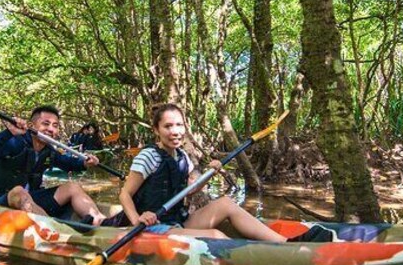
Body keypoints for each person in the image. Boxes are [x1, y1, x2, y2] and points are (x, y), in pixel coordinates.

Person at [117, 103, 288, 241]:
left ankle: (284, 244)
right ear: (156, 130)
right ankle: (257, 259)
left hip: (176, 220)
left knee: (226, 203)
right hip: (150, 226)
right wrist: (136, 220)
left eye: (179, 125)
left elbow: (191, 190)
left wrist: (210, 174)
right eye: (167, 126)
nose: (175, 131)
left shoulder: (182, 156)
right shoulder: (148, 156)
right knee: (215, 236)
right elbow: (125, 194)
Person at [0, 105, 107, 226]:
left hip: (29, 200)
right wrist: (8, 133)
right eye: (46, 124)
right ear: (32, 125)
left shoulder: (49, 150)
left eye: (55, 125)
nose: (51, 129)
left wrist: (85, 162)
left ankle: (100, 221)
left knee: (72, 186)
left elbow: (69, 163)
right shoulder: (14, 142)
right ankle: (54, 229)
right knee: (19, 191)